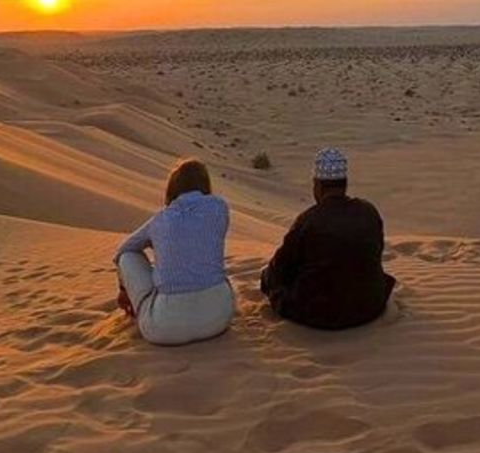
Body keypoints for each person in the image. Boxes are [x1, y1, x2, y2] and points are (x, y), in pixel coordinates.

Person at [260, 147, 396, 330]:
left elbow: (281, 267)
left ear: (318, 185)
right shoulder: (368, 212)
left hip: (317, 314)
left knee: (270, 279)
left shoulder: (309, 220)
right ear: (345, 184)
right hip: (369, 307)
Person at [113, 159, 235, 345]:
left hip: (165, 330)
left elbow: (124, 249)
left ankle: (139, 305)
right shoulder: (219, 207)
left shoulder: (160, 219)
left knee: (127, 257)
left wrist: (124, 289)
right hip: (219, 318)